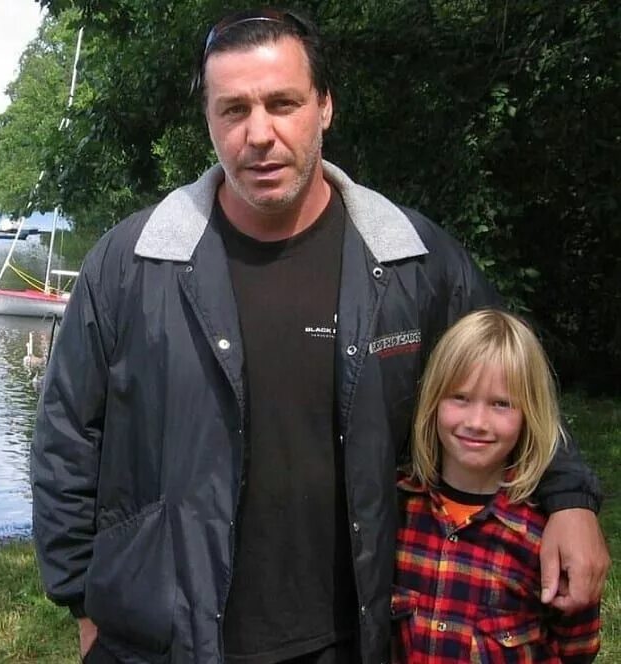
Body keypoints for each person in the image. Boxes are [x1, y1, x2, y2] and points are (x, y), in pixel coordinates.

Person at [31, 7, 609, 664]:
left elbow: (516, 383)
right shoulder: (131, 263)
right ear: (208, 120)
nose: (259, 134)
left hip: (352, 639)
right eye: (233, 110)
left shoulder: (411, 260)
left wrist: (571, 500)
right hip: (164, 640)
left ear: (325, 107)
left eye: (283, 104)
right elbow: (65, 438)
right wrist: (81, 600)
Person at [391, 309, 601, 663]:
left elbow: (576, 648)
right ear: (432, 400)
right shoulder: (394, 511)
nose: (477, 422)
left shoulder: (546, 538)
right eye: (460, 397)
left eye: (501, 404)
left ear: (529, 413)